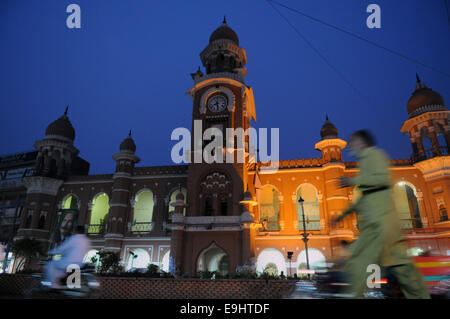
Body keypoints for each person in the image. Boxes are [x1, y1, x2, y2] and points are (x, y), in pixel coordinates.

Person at [333, 129, 429, 299]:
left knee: (403, 269)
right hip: (372, 229)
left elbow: (382, 179)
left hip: (384, 224)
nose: (350, 146)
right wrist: (342, 215)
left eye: (353, 141)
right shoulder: (364, 164)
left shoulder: (375, 155)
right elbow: (363, 199)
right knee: (358, 263)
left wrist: (352, 181)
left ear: (362, 142)